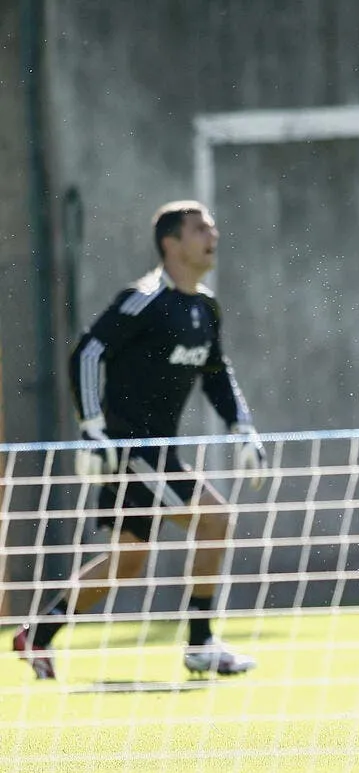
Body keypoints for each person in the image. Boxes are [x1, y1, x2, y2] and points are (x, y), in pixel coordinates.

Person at [12, 200, 267, 680]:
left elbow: (217, 373)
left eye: (213, 226)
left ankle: (37, 634)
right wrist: (93, 428)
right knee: (214, 522)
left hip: (157, 451)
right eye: (199, 228)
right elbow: (87, 353)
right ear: (172, 242)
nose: (212, 235)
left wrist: (243, 427)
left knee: (128, 558)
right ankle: (200, 643)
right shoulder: (144, 298)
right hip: (133, 449)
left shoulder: (205, 305)